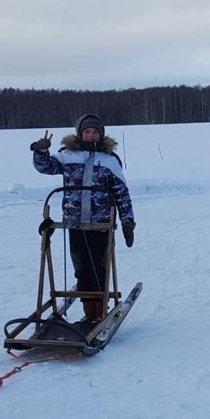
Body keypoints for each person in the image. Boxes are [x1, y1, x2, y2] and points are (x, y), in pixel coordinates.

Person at [30, 114, 136, 326]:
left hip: (100, 225)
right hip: (74, 224)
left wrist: (128, 222)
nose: (90, 135)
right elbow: (46, 167)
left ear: (101, 134)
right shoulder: (67, 155)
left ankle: (99, 312)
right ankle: (89, 313)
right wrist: (41, 152)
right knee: (81, 269)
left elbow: (121, 193)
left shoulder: (109, 160)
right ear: (80, 133)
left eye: (95, 132)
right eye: (86, 131)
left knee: (98, 268)